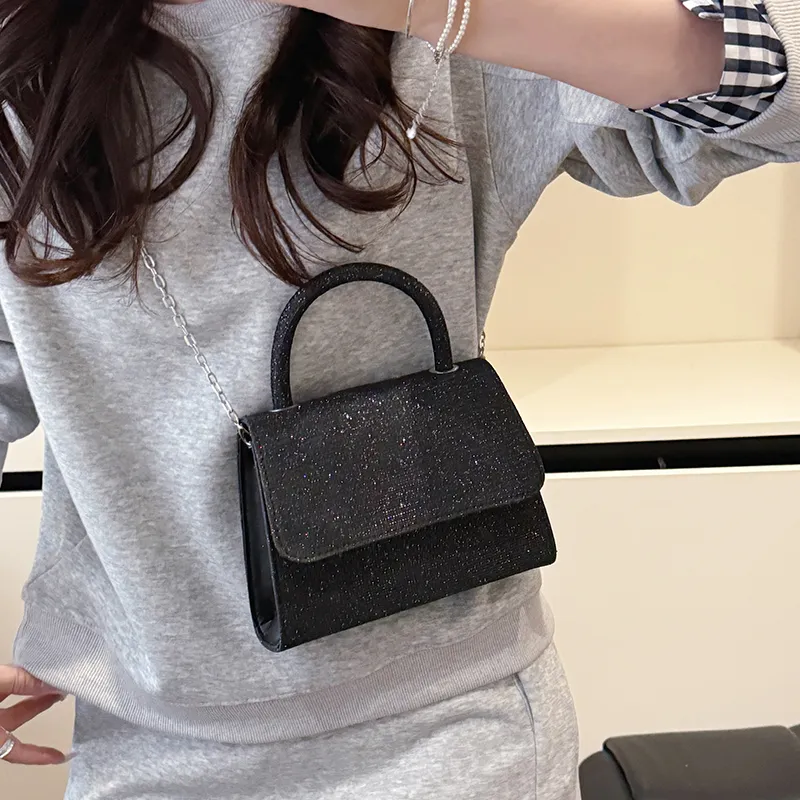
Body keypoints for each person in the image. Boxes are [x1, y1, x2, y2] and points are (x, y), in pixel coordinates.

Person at [0, 0, 797, 797]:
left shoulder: (440, 46)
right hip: (140, 750)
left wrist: (438, 10)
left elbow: (779, 88)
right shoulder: (23, 54)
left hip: (453, 739)